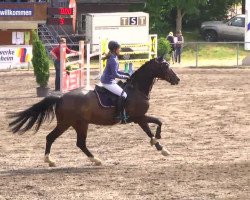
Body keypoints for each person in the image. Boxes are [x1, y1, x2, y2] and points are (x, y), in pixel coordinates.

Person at [100, 41, 130, 122]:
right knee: (124, 95)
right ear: (114, 49)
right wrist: (125, 77)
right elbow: (115, 74)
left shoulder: (114, 57)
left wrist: (125, 73)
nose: (120, 49)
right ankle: (120, 115)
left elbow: (117, 71)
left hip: (109, 80)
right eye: (119, 48)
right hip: (108, 82)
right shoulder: (113, 59)